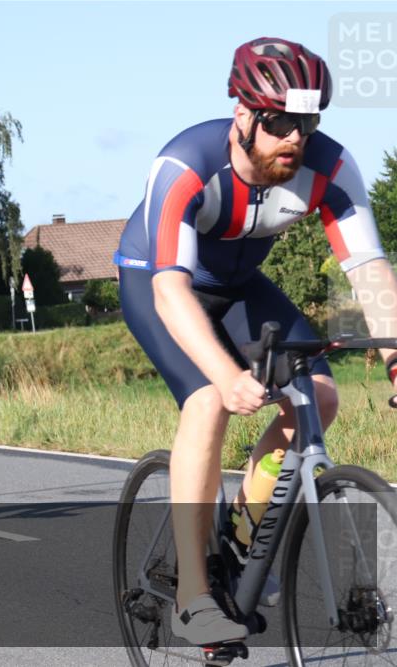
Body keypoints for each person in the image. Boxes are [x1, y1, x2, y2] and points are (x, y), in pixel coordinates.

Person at [114, 37, 397, 646]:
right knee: (209, 401)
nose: (295, 136)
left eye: (307, 121)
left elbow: (369, 272)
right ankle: (193, 596)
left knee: (318, 397)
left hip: (241, 285)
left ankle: (244, 533)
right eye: (278, 122)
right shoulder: (184, 166)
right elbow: (171, 292)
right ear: (243, 114)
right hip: (157, 282)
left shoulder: (331, 168)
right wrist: (224, 374)